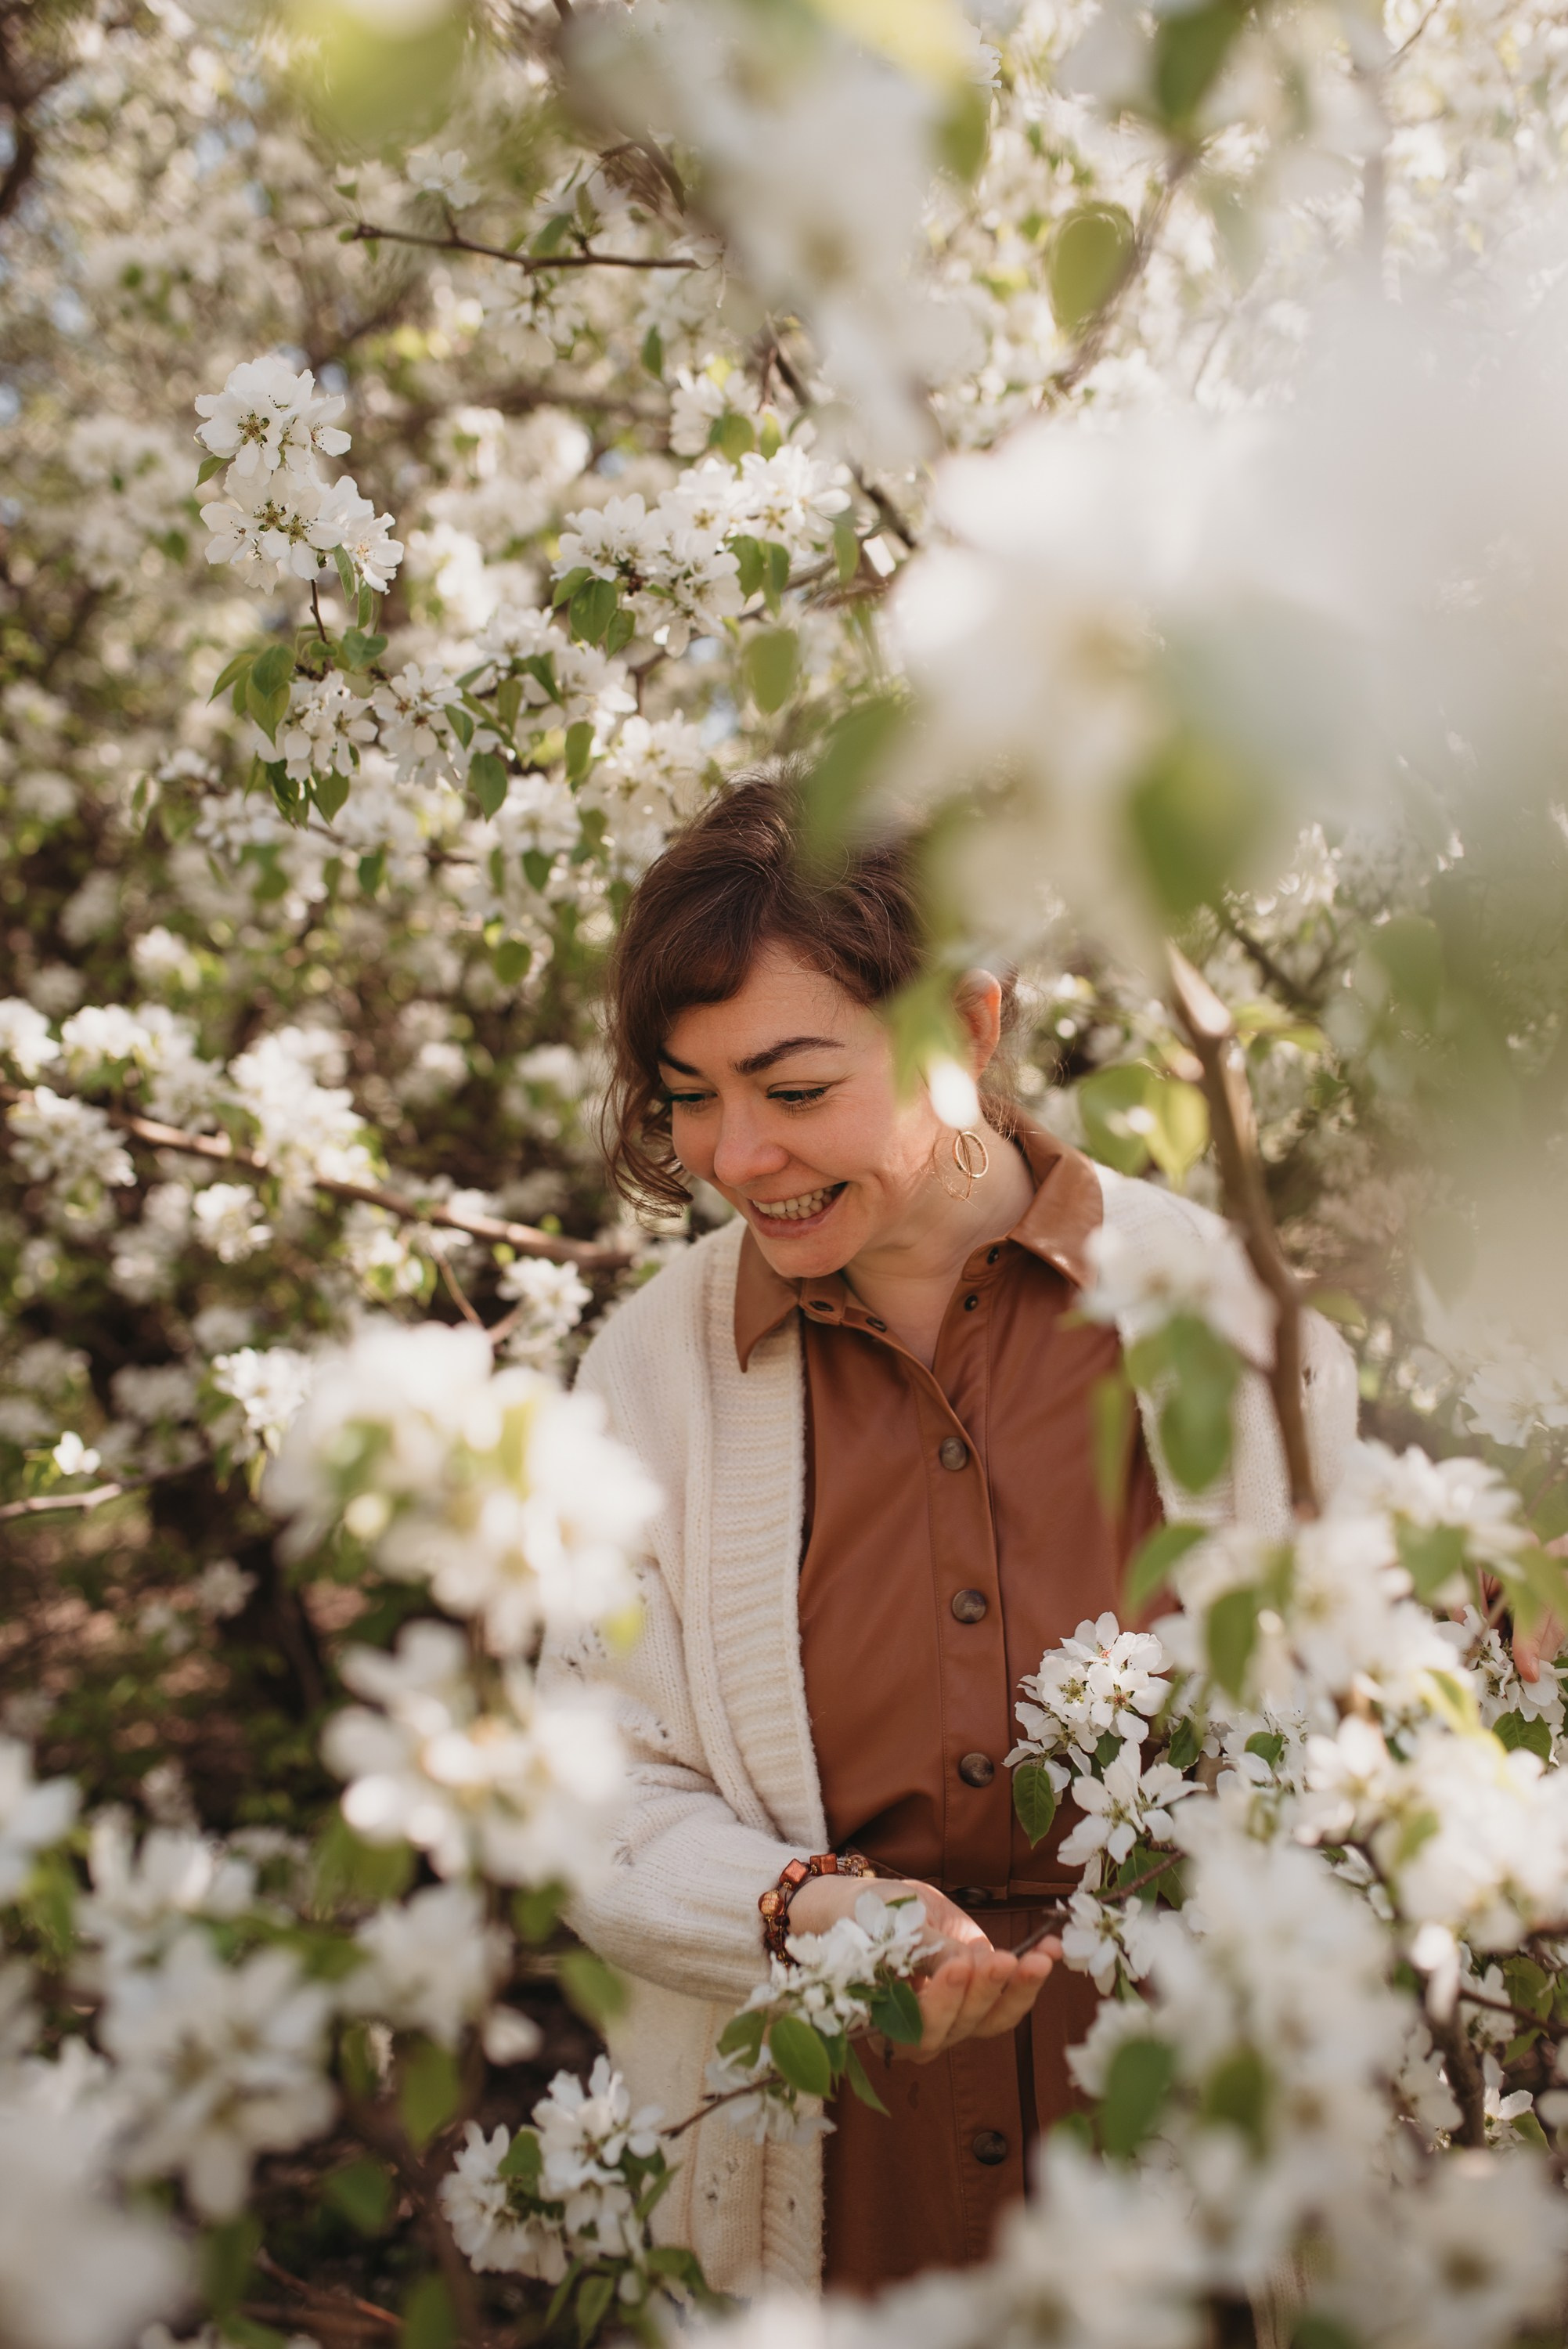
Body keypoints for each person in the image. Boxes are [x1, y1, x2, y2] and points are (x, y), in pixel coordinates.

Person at [539, 765, 1357, 2299]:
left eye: (794, 1091)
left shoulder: (1229, 1318)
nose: (735, 1157)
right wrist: (814, 1915)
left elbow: (1351, 1729)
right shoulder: (650, 1377)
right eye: (689, 1095)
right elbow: (594, 1795)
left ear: (968, 1028)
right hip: (838, 2204)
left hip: (1193, 2191)